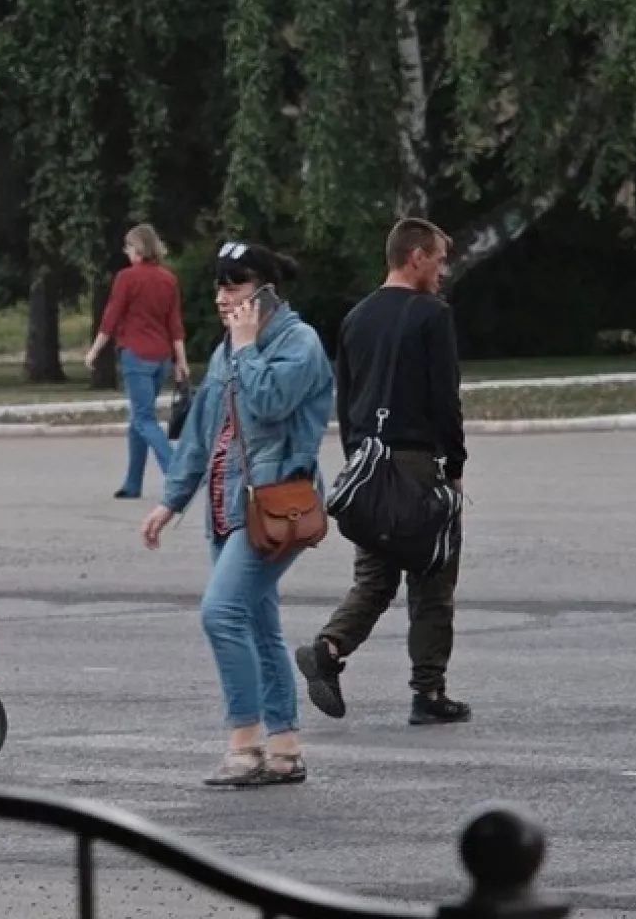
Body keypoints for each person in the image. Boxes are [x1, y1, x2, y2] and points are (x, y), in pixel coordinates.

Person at [141, 241, 333, 786]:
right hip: (228, 508)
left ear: (266, 291)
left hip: (277, 507)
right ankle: (286, 748)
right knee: (256, 621)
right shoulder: (231, 348)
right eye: (220, 286)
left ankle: (244, 744)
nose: (223, 297)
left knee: (220, 613)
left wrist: (247, 348)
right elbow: (204, 434)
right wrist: (170, 500)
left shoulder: (299, 343)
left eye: (235, 285)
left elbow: (270, 403)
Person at [296, 218, 471, 727]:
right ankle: (428, 693)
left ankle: (328, 649)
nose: (442, 269)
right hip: (418, 464)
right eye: (438, 258)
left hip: (368, 464)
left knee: (374, 578)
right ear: (414, 256)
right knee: (433, 579)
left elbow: (346, 398)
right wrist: (455, 465)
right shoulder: (433, 316)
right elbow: (445, 399)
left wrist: (359, 460)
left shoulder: (355, 318)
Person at [85, 224, 192, 499]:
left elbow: (112, 316)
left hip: (136, 354)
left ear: (138, 249)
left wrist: (95, 350)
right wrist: (182, 361)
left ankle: (177, 470)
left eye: (129, 247)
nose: (127, 252)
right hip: (162, 358)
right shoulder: (168, 279)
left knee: (144, 419)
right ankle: (133, 483)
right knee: (138, 420)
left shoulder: (127, 278)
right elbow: (174, 323)